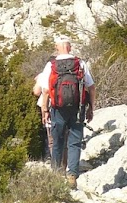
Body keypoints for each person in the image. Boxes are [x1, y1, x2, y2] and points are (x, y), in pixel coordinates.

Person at [39, 38, 95, 190]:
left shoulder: (51, 65)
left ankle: (56, 175)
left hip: (58, 108)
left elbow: (44, 91)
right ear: (69, 48)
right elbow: (91, 86)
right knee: (75, 141)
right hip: (78, 108)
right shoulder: (80, 64)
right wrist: (91, 108)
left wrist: (45, 110)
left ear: (57, 48)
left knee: (57, 141)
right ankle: (72, 176)